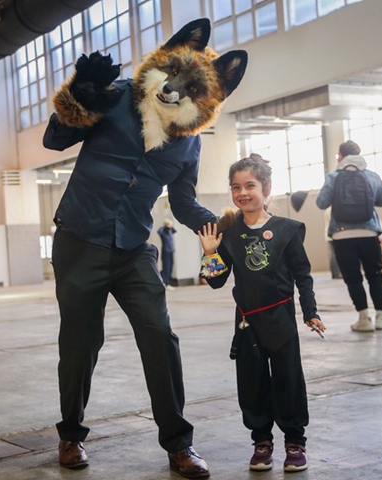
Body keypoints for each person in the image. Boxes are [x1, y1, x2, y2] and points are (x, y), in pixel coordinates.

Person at [42, 19, 247, 479]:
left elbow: (182, 202)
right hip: (80, 240)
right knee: (80, 344)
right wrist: (79, 97)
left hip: (134, 247)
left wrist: (227, 226)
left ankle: (179, 445)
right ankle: (70, 435)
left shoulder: (189, 143)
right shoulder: (116, 95)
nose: (176, 89)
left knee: (159, 336)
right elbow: (54, 139)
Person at [198, 154, 325, 473]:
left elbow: (302, 274)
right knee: (252, 384)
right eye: (235, 187)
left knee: (289, 380)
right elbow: (215, 282)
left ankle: (295, 442)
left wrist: (310, 311)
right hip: (247, 324)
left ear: (266, 189)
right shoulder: (229, 232)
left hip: (281, 321)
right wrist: (210, 253)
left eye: (249, 185)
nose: (242, 193)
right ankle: (261, 443)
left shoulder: (288, 229)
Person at [316, 140, 382, 332]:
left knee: (353, 278)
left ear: (340, 156)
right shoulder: (371, 175)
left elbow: (321, 202)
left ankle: (363, 319)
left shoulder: (333, 177)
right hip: (369, 233)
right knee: (375, 275)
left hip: (341, 236)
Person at [157, 219, 177, 289]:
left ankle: (167, 281)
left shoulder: (170, 231)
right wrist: (164, 226)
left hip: (171, 251)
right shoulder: (164, 231)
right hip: (166, 251)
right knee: (166, 267)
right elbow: (159, 231)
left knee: (170, 267)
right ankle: (165, 282)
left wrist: (170, 227)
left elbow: (175, 231)